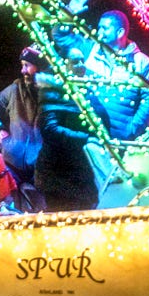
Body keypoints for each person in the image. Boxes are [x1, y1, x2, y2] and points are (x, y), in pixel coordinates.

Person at [66, 6, 149, 141]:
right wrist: (70, 10)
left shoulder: (141, 62)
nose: (99, 32)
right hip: (86, 133)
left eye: (105, 28)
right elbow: (61, 37)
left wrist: (132, 129)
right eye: (99, 27)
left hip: (117, 140)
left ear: (120, 32)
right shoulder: (90, 51)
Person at [0, 47, 48, 208]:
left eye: (27, 65)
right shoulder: (14, 90)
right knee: (10, 212)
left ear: (40, 66)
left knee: (42, 214)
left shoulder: (54, 94)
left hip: (41, 168)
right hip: (11, 164)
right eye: (22, 65)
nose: (22, 70)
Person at [33, 70, 101, 213]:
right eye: (75, 62)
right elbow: (50, 130)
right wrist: (85, 138)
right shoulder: (52, 94)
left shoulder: (82, 92)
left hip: (80, 168)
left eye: (82, 61)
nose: (81, 66)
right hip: (58, 172)